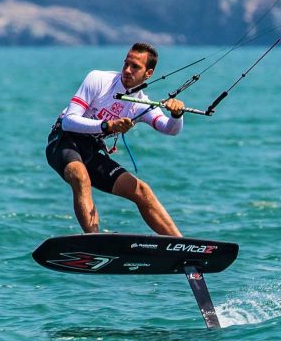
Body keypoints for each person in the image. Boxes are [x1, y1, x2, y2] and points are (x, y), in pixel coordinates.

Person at [46, 42, 186, 236]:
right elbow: (69, 121)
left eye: (135, 67)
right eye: (126, 64)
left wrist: (177, 114)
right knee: (80, 175)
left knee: (141, 191)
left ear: (148, 74)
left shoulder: (141, 105)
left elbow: (170, 129)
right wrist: (107, 125)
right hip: (63, 141)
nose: (127, 70)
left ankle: (180, 245)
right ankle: (94, 240)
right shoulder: (98, 79)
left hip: (91, 149)